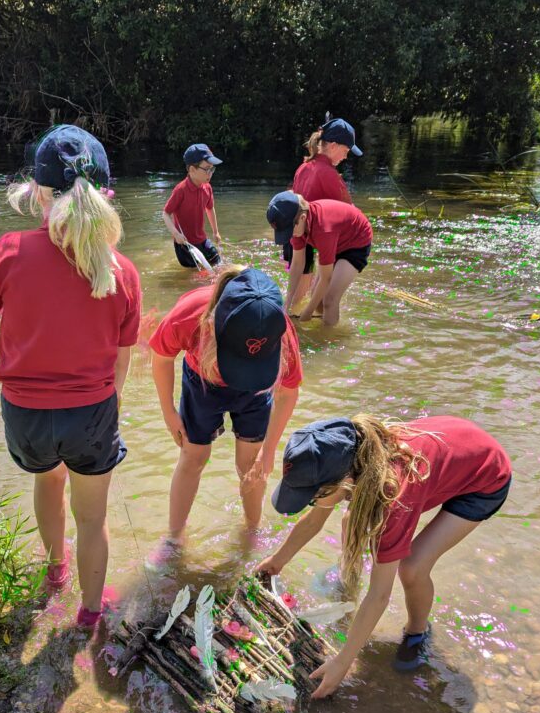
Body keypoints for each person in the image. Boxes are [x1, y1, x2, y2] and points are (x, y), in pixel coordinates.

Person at [0, 125, 141, 629]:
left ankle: (55, 570)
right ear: (106, 194)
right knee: (93, 519)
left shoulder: (8, 251)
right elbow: (122, 359)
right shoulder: (121, 270)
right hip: (92, 412)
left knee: (47, 478)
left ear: (38, 191)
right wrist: (112, 406)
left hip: (26, 414)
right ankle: (88, 614)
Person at [257, 415, 512, 698]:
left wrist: (344, 660)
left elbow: (380, 594)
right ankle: (348, 581)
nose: (313, 501)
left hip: (484, 478)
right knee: (349, 521)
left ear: (346, 480)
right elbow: (313, 521)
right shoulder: (348, 452)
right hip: (454, 449)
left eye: (314, 495)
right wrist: (277, 560)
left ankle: (417, 633)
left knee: (412, 567)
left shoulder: (394, 498)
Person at [148, 266, 302, 564]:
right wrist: (168, 411)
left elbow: (288, 393)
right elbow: (162, 356)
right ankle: (174, 537)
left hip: (256, 392)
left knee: (251, 464)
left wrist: (269, 450)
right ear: (211, 326)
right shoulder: (190, 315)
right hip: (203, 383)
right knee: (193, 456)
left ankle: (252, 530)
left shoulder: (277, 328)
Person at [283, 117, 361, 303]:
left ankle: (289, 316)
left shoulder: (304, 167)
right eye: (345, 150)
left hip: (294, 236)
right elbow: (349, 212)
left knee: (294, 299)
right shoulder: (329, 174)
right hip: (310, 237)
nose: (345, 156)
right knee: (312, 299)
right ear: (333, 146)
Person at [267, 192, 372, 325]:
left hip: (356, 242)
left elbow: (325, 278)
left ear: (303, 218)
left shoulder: (323, 230)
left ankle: (327, 340)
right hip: (336, 238)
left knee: (329, 300)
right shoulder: (296, 225)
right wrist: (286, 304)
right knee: (317, 300)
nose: (289, 235)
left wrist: (307, 313)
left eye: (289, 230)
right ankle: (326, 321)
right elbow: (297, 264)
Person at [163, 144, 223, 269]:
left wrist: (215, 232)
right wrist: (176, 234)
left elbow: (210, 208)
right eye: (207, 169)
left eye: (212, 169)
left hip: (202, 239)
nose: (210, 173)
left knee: (219, 264)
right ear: (192, 170)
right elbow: (166, 214)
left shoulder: (207, 187)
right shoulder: (181, 190)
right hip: (184, 244)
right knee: (196, 274)